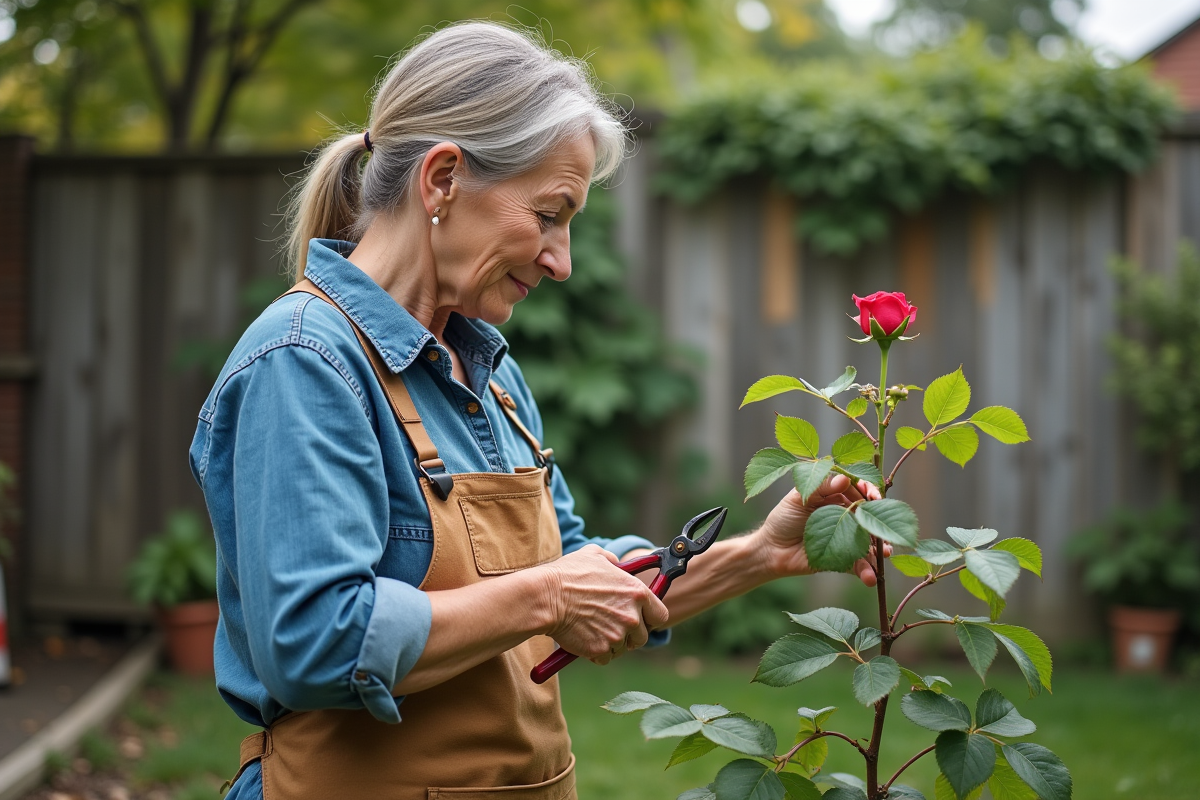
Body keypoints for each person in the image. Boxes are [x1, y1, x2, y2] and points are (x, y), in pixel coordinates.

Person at [189, 21, 883, 800]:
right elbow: (314, 643)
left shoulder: (488, 370)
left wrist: (762, 553)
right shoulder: (305, 361)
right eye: (549, 214)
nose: (561, 259)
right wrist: (547, 594)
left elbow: (585, 581)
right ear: (443, 179)